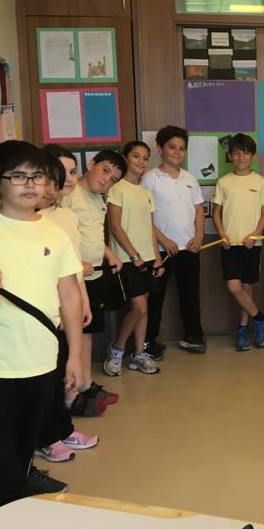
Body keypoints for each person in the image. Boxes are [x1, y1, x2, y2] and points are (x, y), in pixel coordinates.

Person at [0, 140, 84, 519]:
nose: (30, 185)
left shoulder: (55, 233)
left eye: (38, 176)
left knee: (25, 442)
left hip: (41, 358)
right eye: (18, 176)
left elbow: (70, 296)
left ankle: (11, 501)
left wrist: (76, 356)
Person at [34, 148, 99, 463]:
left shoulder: (67, 216)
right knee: (47, 378)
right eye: (59, 172)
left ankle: (61, 429)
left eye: (73, 172)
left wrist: (83, 300)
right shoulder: (35, 217)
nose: (67, 179)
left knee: (62, 373)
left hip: (68, 303)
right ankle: (46, 437)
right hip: (45, 308)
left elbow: (73, 268)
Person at [60, 149, 126, 384]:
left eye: (113, 179)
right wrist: (77, 263)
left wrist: (109, 254)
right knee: (72, 333)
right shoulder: (68, 194)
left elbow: (93, 234)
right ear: (90, 164)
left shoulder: (99, 197)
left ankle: (85, 383)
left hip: (95, 274)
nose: (106, 180)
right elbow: (59, 236)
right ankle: (72, 387)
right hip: (72, 278)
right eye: (105, 170)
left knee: (87, 331)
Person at [143, 126, 206, 355]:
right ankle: (148, 341)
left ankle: (193, 336)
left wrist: (199, 236)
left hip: (189, 248)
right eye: (172, 147)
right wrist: (163, 239)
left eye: (182, 148)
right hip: (160, 250)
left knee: (190, 296)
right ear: (160, 149)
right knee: (155, 298)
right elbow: (144, 216)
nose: (177, 152)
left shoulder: (189, 178)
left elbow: (199, 210)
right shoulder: (149, 179)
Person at [103, 141, 163, 376]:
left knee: (143, 308)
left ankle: (138, 353)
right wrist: (134, 255)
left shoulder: (145, 192)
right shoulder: (116, 189)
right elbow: (115, 226)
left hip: (146, 257)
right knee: (138, 307)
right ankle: (117, 349)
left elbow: (150, 227)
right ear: (126, 158)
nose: (141, 161)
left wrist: (156, 257)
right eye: (136, 156)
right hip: (127, 259)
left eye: (145, 157)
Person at [212, 133, 264, 351]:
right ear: (230, 156)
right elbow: (216, 213)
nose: (241, 157)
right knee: (234, 286)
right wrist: (222, 235)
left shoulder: (261, 182)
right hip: (229, 244)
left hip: (251, 244)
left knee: (246, 288)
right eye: (236, 153)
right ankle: (261, 318)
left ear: (253, 156)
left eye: (246, 153)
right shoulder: (223, 182)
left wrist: (255, 235)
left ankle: (243, 329)